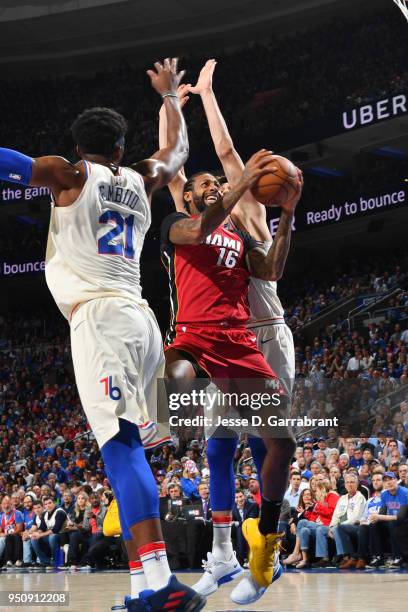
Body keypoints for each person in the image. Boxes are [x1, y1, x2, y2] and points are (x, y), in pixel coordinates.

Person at [0, 58, 205, 611]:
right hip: (141, 317)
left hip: (99, 321)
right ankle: (143, 590)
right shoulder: (142, 177)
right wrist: (168, 100)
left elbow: (10, 162)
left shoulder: (68, 176)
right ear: (119, 147)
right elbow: (178, 154)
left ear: (81, 145)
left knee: (120, 449)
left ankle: (162, 584)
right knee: (132, 445)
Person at [159, 73, 302, 606]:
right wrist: (181, 98)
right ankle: (220, 554)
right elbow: (183, 166)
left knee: (271, 443)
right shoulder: (194, 218)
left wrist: (210, 97)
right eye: (209, 182)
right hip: (214, 338)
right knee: (218, 447)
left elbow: (224, 150)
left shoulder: (251, 216)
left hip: (263, 336)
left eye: (223, 179)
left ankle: (268, 554)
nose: (219, 180)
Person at [337, 472, 384, 570]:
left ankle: (360, 558)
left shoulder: (385, 498)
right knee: (341, 527)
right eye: (374, 480)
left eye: (378, 480)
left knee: (363, 528)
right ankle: (351, 557)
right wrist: (362, 520)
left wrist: (364, 522)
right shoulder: (370, 500)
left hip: (377, 524)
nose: (375, 482)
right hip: (365, 524)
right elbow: (363, 516)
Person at [369, 471, 408, 568]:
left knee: (392, 523)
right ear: (384, 484)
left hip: (404, 523)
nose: (389, 482)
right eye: (385, 481)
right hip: (393, 521)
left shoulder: (404, 492)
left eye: (391, 479)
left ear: (396, 480)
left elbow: (400, 517)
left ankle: (397, 557)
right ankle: (378, 557)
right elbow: (382, 513)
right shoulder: (384, 494)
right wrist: (374, 518)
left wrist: (379, 517)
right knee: (373, 525)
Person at [30, 496, 67, 568]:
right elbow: (42, 527)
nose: (48, 505)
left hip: (63, 535)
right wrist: (36, 533)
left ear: (54, 503)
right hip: (51, 536)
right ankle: (45, 561)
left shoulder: (60, 512)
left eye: (50, 503)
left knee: (52, 537)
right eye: (46, 504)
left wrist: (40, 535)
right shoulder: (45, 514)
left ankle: (56, 561)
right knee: (33, 539)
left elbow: (56, 530)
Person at [232, 490, 259, 565]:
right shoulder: (232, 507)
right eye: (236, 497)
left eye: (241, 496)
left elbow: (250, 520)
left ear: (245, 496)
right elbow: (231, 519)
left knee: (240, 529)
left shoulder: (253, 505)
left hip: (251, 528)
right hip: (236, 530)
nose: (239, 499)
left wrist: (237, 523)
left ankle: (240, 560)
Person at [0, 494, 24, 567]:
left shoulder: (17, 513)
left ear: (11, 504)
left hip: (17, 535)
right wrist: (3, 534)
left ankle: (17, 559)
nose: (6, 506)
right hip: (6, 536)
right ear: (1, 505)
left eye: (8, 504)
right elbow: (0, 531)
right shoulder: (1, 516)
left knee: (10, 537)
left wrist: (7, 535)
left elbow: (19, 528)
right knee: (4, 538)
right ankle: (7, 561)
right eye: (4, 504)